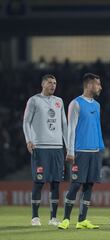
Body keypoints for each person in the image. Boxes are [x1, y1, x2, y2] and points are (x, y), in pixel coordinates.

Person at [58, 73, 104, 230]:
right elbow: (70, 128)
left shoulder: (97, 105)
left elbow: (96, 127)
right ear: (89, 85)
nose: (100, 87)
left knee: (89, 185)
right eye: (98, 84)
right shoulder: (75, 104)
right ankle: (65, 219)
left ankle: (82, 220)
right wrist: (70, 150)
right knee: (76, 184)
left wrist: (100, 147)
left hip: (95, 150)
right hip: (80, 151)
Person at [23, 74, 68, 226]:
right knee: (39, 182)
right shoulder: (34, 100)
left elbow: (64, 125)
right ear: (43, 84)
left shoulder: (59, 101)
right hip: (40, 147)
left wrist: (68, 146)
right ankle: (35, 217)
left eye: (55, 83)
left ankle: (53, 217)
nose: (53, 85)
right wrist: (29, 140)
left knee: (55, 183)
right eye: (50, 83)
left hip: (57, 148)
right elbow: (26, 122)